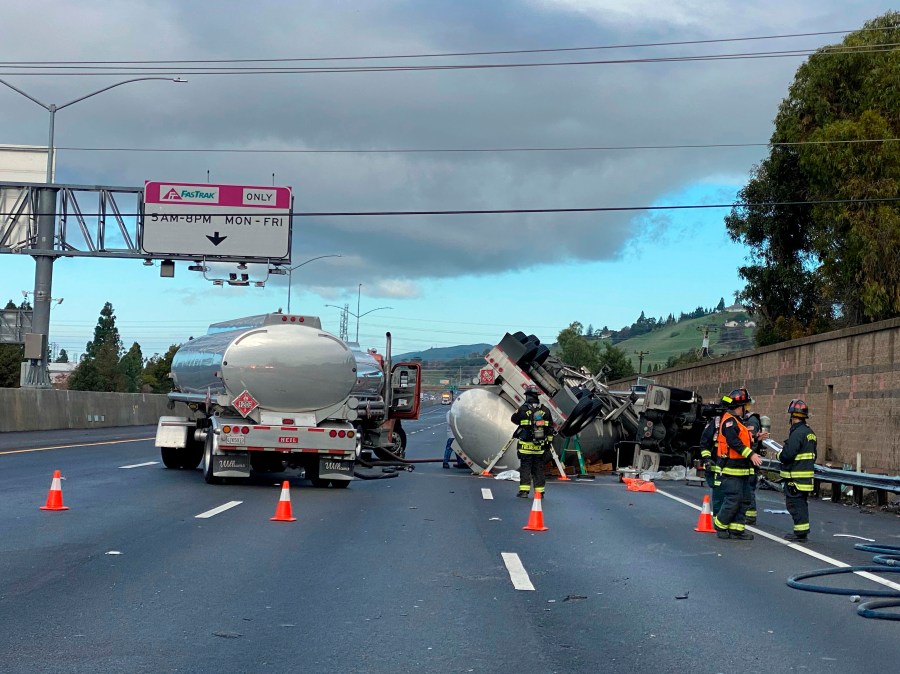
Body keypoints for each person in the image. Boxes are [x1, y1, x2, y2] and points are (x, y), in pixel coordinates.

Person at [713, 388, 764, 540]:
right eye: (745, 407)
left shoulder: (738, 421)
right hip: (732, 469)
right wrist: (752, 454)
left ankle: (737, 529)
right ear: (738, 407)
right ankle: (721, 525)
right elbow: (734, 442)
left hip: (742, 469)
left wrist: (757, 439)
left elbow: (744, 440)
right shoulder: (729, 421)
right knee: (733, 500)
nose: (746, 410)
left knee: (744, 500)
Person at [779, 399, 817, 541]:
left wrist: (779, 455)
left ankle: (800, 533)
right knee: (801, 503)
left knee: (795, 505)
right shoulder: (810, 433)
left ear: (792, 417)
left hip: (795, 477)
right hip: (805, 477)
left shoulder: (797, 433)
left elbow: (788, 454)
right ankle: (801, 532)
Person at [511, 385, 554, 499]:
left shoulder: (523, 409)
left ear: (528, 396)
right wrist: (548, 444)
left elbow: (513, 419)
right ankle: (539, 492)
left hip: (525, 447)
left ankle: (524, 492)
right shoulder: (545, 410)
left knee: (525, 468)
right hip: (539, 447)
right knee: (538, 469)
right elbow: (550, 429)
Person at [740, 389, 769, 524]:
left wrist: (748, 454)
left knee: (748, 488)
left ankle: (750, 515)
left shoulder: (751, 420)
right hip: (744, 459)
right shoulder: (740, 419)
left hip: (750, 461)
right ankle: (745, 513)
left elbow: (749, 440)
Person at [698, 407, 724, 514]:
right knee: (718, 494)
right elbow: (704, 443)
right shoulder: (716, 423)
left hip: (733, 467)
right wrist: (707, 459)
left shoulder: (739, 423)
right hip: (717, 466)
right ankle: (719, 522)